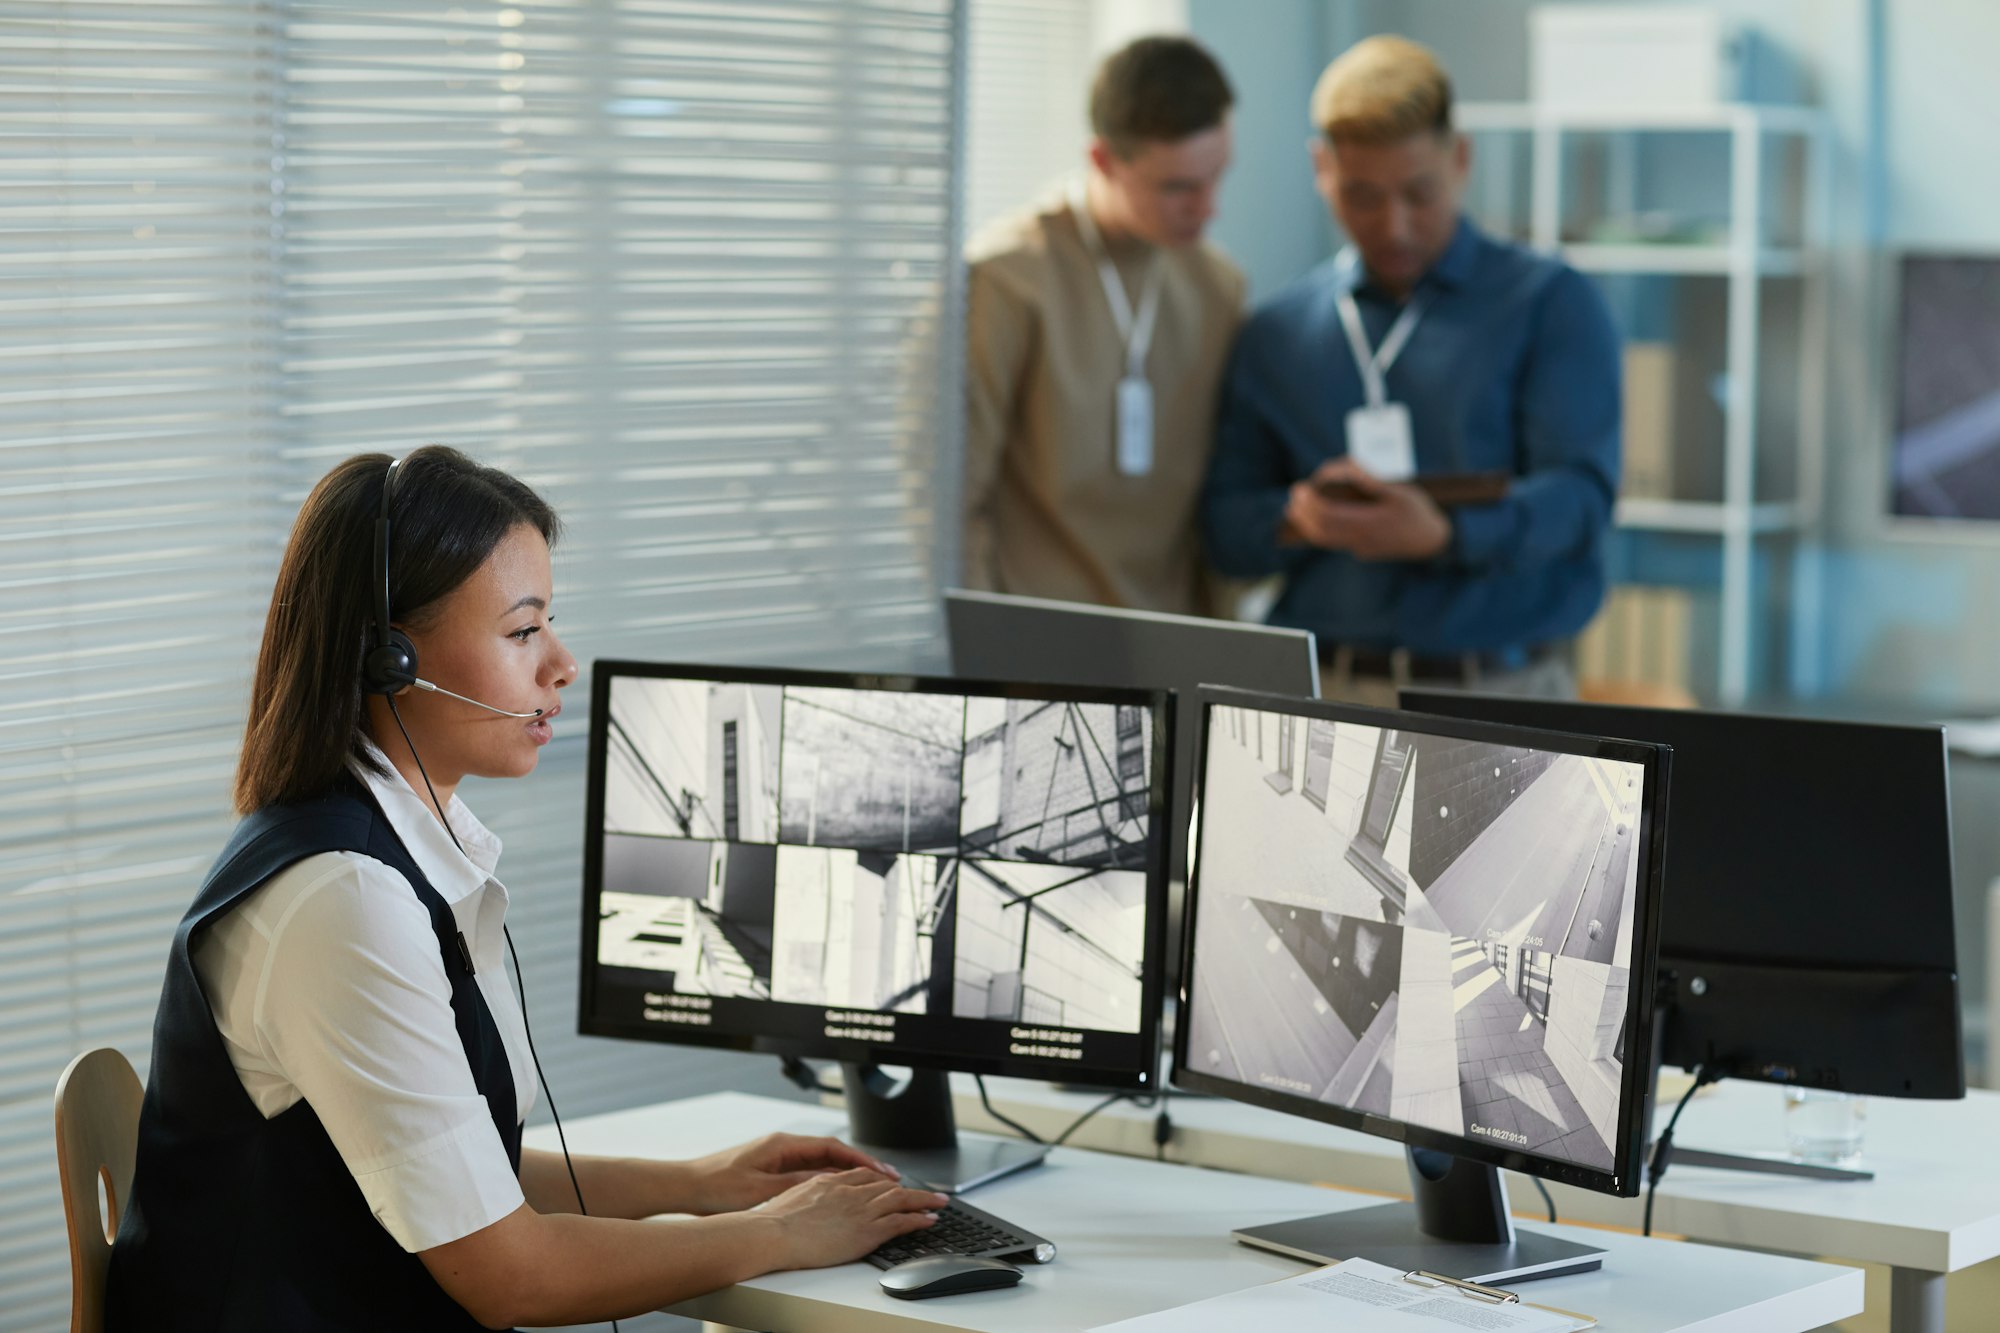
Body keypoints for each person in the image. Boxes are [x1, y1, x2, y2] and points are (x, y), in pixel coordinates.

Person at [106, 447, 946, 1331]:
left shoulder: (387, 845)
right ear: (390, 658)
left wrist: (705, 1186)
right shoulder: (343, 901)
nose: (562, 664)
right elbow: (514, 1276)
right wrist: (776, 1233)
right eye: (522, 631)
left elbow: (450, 1169)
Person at [1202, 35, 1621, 706]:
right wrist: (1299, 517)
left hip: (1503, 693)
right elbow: (1225, 530)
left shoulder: (1550, 304)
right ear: (1321, 168)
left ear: (1460, 159)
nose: (1394, 226)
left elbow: (1582, 502)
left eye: (1418, 193)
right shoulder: (1277, 333)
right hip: (1321, 695)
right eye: (1363, 196)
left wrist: (1447, 534)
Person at [963, 34, 1246, 616]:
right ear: (1102, 161)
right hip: (1035, 649)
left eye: (1218, 175)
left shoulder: (1219, 289)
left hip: (1178, 646)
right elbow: (946, 503)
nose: (1209, 206)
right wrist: (987, 660)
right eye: (1178, 188)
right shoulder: (1007, 279)